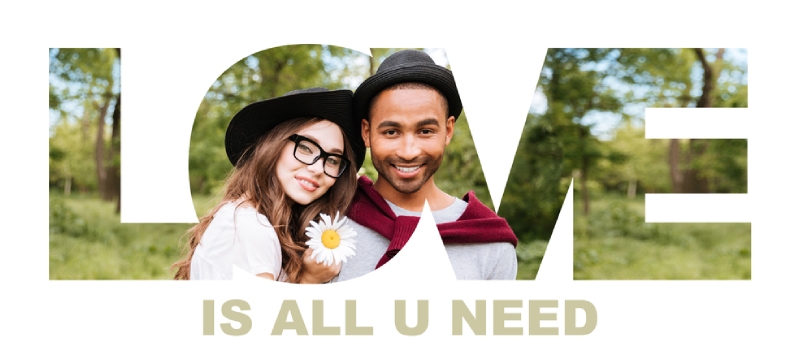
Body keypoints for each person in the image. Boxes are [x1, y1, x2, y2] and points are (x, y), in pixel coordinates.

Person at [333, 49, 519, 281]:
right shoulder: (326, 218)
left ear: (448, 130)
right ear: (367, 133)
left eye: (425, 131)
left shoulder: (492, 245)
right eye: (391, 132)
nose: (409, 152)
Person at [172, 87, 365, 282]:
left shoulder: (254, 219)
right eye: (306, 147)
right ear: (273, 145)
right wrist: (309, 280)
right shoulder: (251, 228)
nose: (318, 168)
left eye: (332, 160)